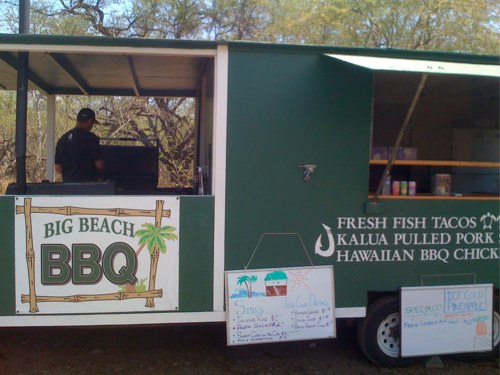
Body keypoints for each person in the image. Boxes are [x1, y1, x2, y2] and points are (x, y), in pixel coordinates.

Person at [55, 108, 105, 182]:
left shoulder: (63, 139)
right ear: (89, 121)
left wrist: (71, 175)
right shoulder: (91, 138)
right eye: (92, 123)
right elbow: (99, 165)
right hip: (88, 186)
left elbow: (58, 168)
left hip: (67, 187)